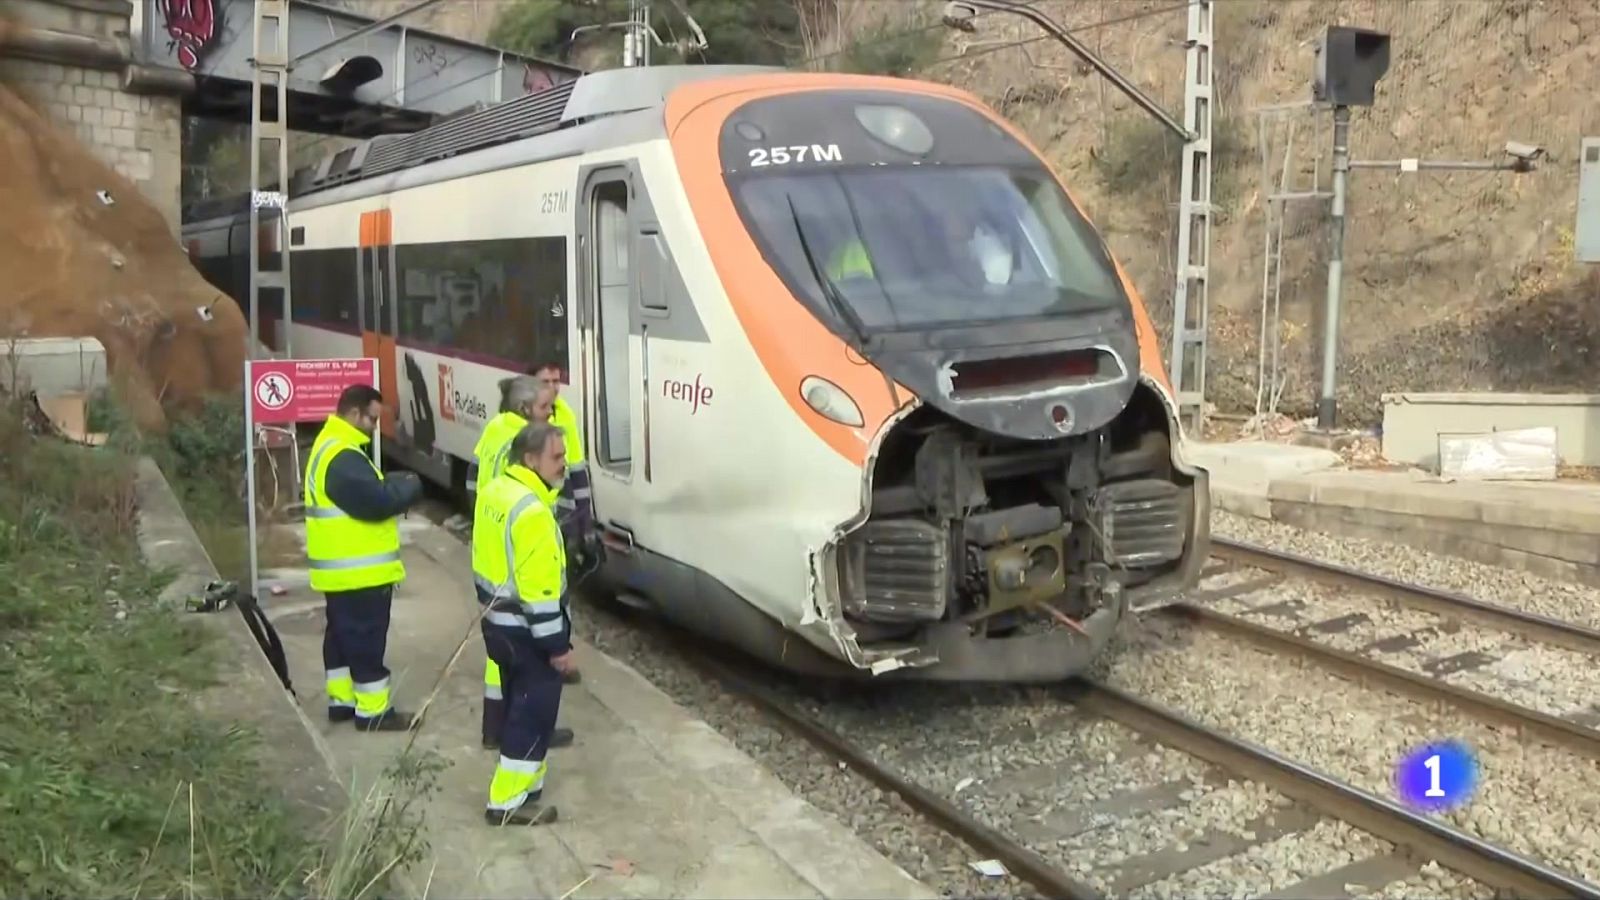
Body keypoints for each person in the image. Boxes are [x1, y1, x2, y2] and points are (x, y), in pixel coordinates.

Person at [473, 422, 577, 827]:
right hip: (527, 632)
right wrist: (558, 648)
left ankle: (529, 786)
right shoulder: (532, 512)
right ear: (530, 459)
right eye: (557, 457)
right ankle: (506, 801)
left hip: (496, 624)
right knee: (532, 714)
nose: (564, 464)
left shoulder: (495, 493)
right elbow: (540, 592)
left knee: (521, 703)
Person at [304, 384, 425, 732]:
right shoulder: (342, 455)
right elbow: (377, 502)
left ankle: (341, 702)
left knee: (341, 639)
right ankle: (373, 712)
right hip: (360, 573)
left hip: (340, 570)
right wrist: (410, 487)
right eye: (372, 418)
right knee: (366, 641)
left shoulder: (330, 447)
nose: (375, 425)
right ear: (354, 414)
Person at [470, 376, 566, 750]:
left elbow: (473, 478)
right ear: (525, 408)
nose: (548, 413)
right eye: (544, 407)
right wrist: (557, 644)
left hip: (493, 571)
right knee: (528, 687)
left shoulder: (495, 430)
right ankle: (511, 741)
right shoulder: (524, 442)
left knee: (500, 667)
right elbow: (538, 591)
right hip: (519, 571)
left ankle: (496, 728)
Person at [526, 355, 593, 551]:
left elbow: (577, 471)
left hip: (563, 521)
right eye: (545, 381)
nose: (552, 387)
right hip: (533, 521)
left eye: (556, 381)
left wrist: (585, 525)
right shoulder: (520, 420)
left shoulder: (565, 415)